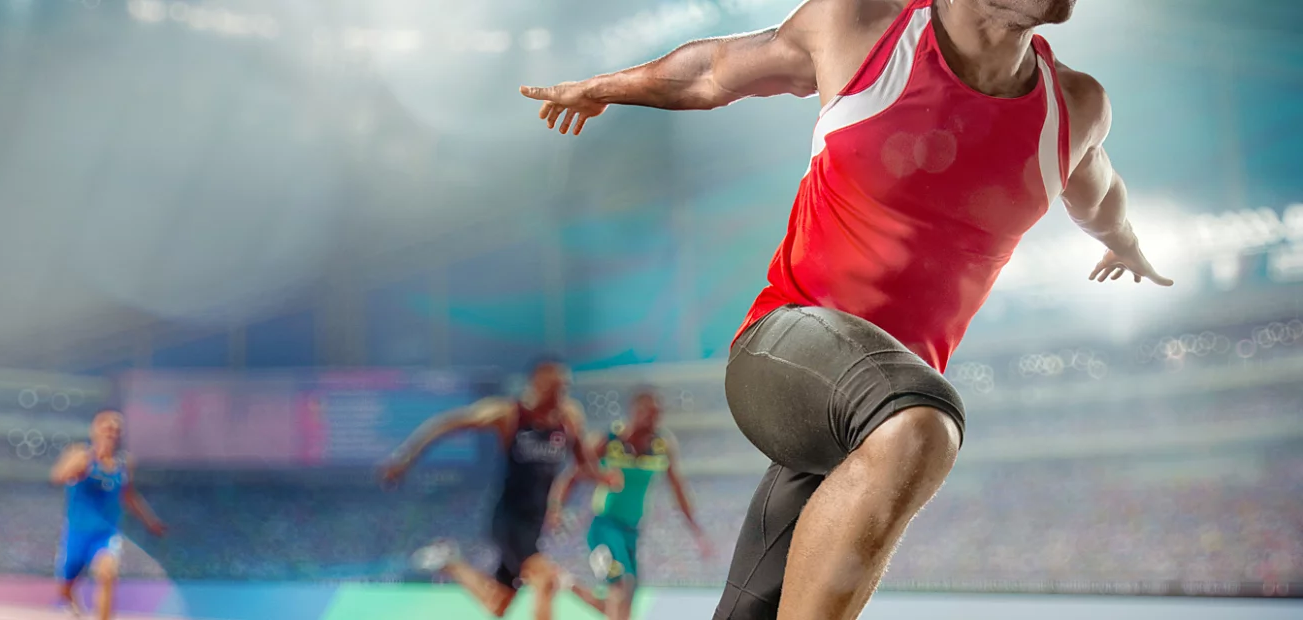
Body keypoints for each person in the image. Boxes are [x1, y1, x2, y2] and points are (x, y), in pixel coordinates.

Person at [519, 0, 1172, 618]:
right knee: (922, 426)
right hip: (783, 352)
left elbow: (1100, 195)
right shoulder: (862, 29)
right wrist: (604, 86)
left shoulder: (1074, 106)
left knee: (753, 607)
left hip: (863, 416)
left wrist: (1129, 246)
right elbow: (713, 70)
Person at [379, 358, 610, 620]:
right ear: (535, 385)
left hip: (535, 523)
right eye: (554, 389)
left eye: (564, 388)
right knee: (545, 579)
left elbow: (583, 460)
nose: (560, 396)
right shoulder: (509, 414)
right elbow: (450, 424)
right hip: (509, 521)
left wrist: (603, 476)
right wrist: (406, 458)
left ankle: (452, 564)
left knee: (498, 605)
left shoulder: (569, 418)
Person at [549, 389, 711, 620]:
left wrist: (696, 529)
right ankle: (572, 586)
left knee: (629, 595)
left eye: (658, 414)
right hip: (604, 526)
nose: (654, 419)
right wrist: (556, 508)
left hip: (632, 530)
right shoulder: (609, 440)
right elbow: (572, 476)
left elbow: (678, 489)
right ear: (635, 411)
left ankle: (568, 584)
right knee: (621, 585)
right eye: (649, 413)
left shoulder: (662, 445)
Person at [50, 410, 168, 620]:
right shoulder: (81, 455)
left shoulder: (124, 464)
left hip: (105, 534)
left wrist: (151, 521)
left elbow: (129, 496)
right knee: (65, 588)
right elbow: (58, 477)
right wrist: (75, 468)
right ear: (95, 430)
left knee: (107, 574)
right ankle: (72, 601)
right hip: (77, 533)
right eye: (107, 428)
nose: (112, 433)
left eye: (116, 430)